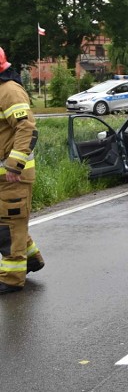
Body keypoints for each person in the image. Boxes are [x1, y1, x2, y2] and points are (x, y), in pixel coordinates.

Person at [0, 47, 44, 294]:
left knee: (8, 225)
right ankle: (32, 258)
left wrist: (15, 165)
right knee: (9, 223)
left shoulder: (10, 92)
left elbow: (26, 129)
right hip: (4, 177)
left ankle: (11, 278)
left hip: (13, 175)